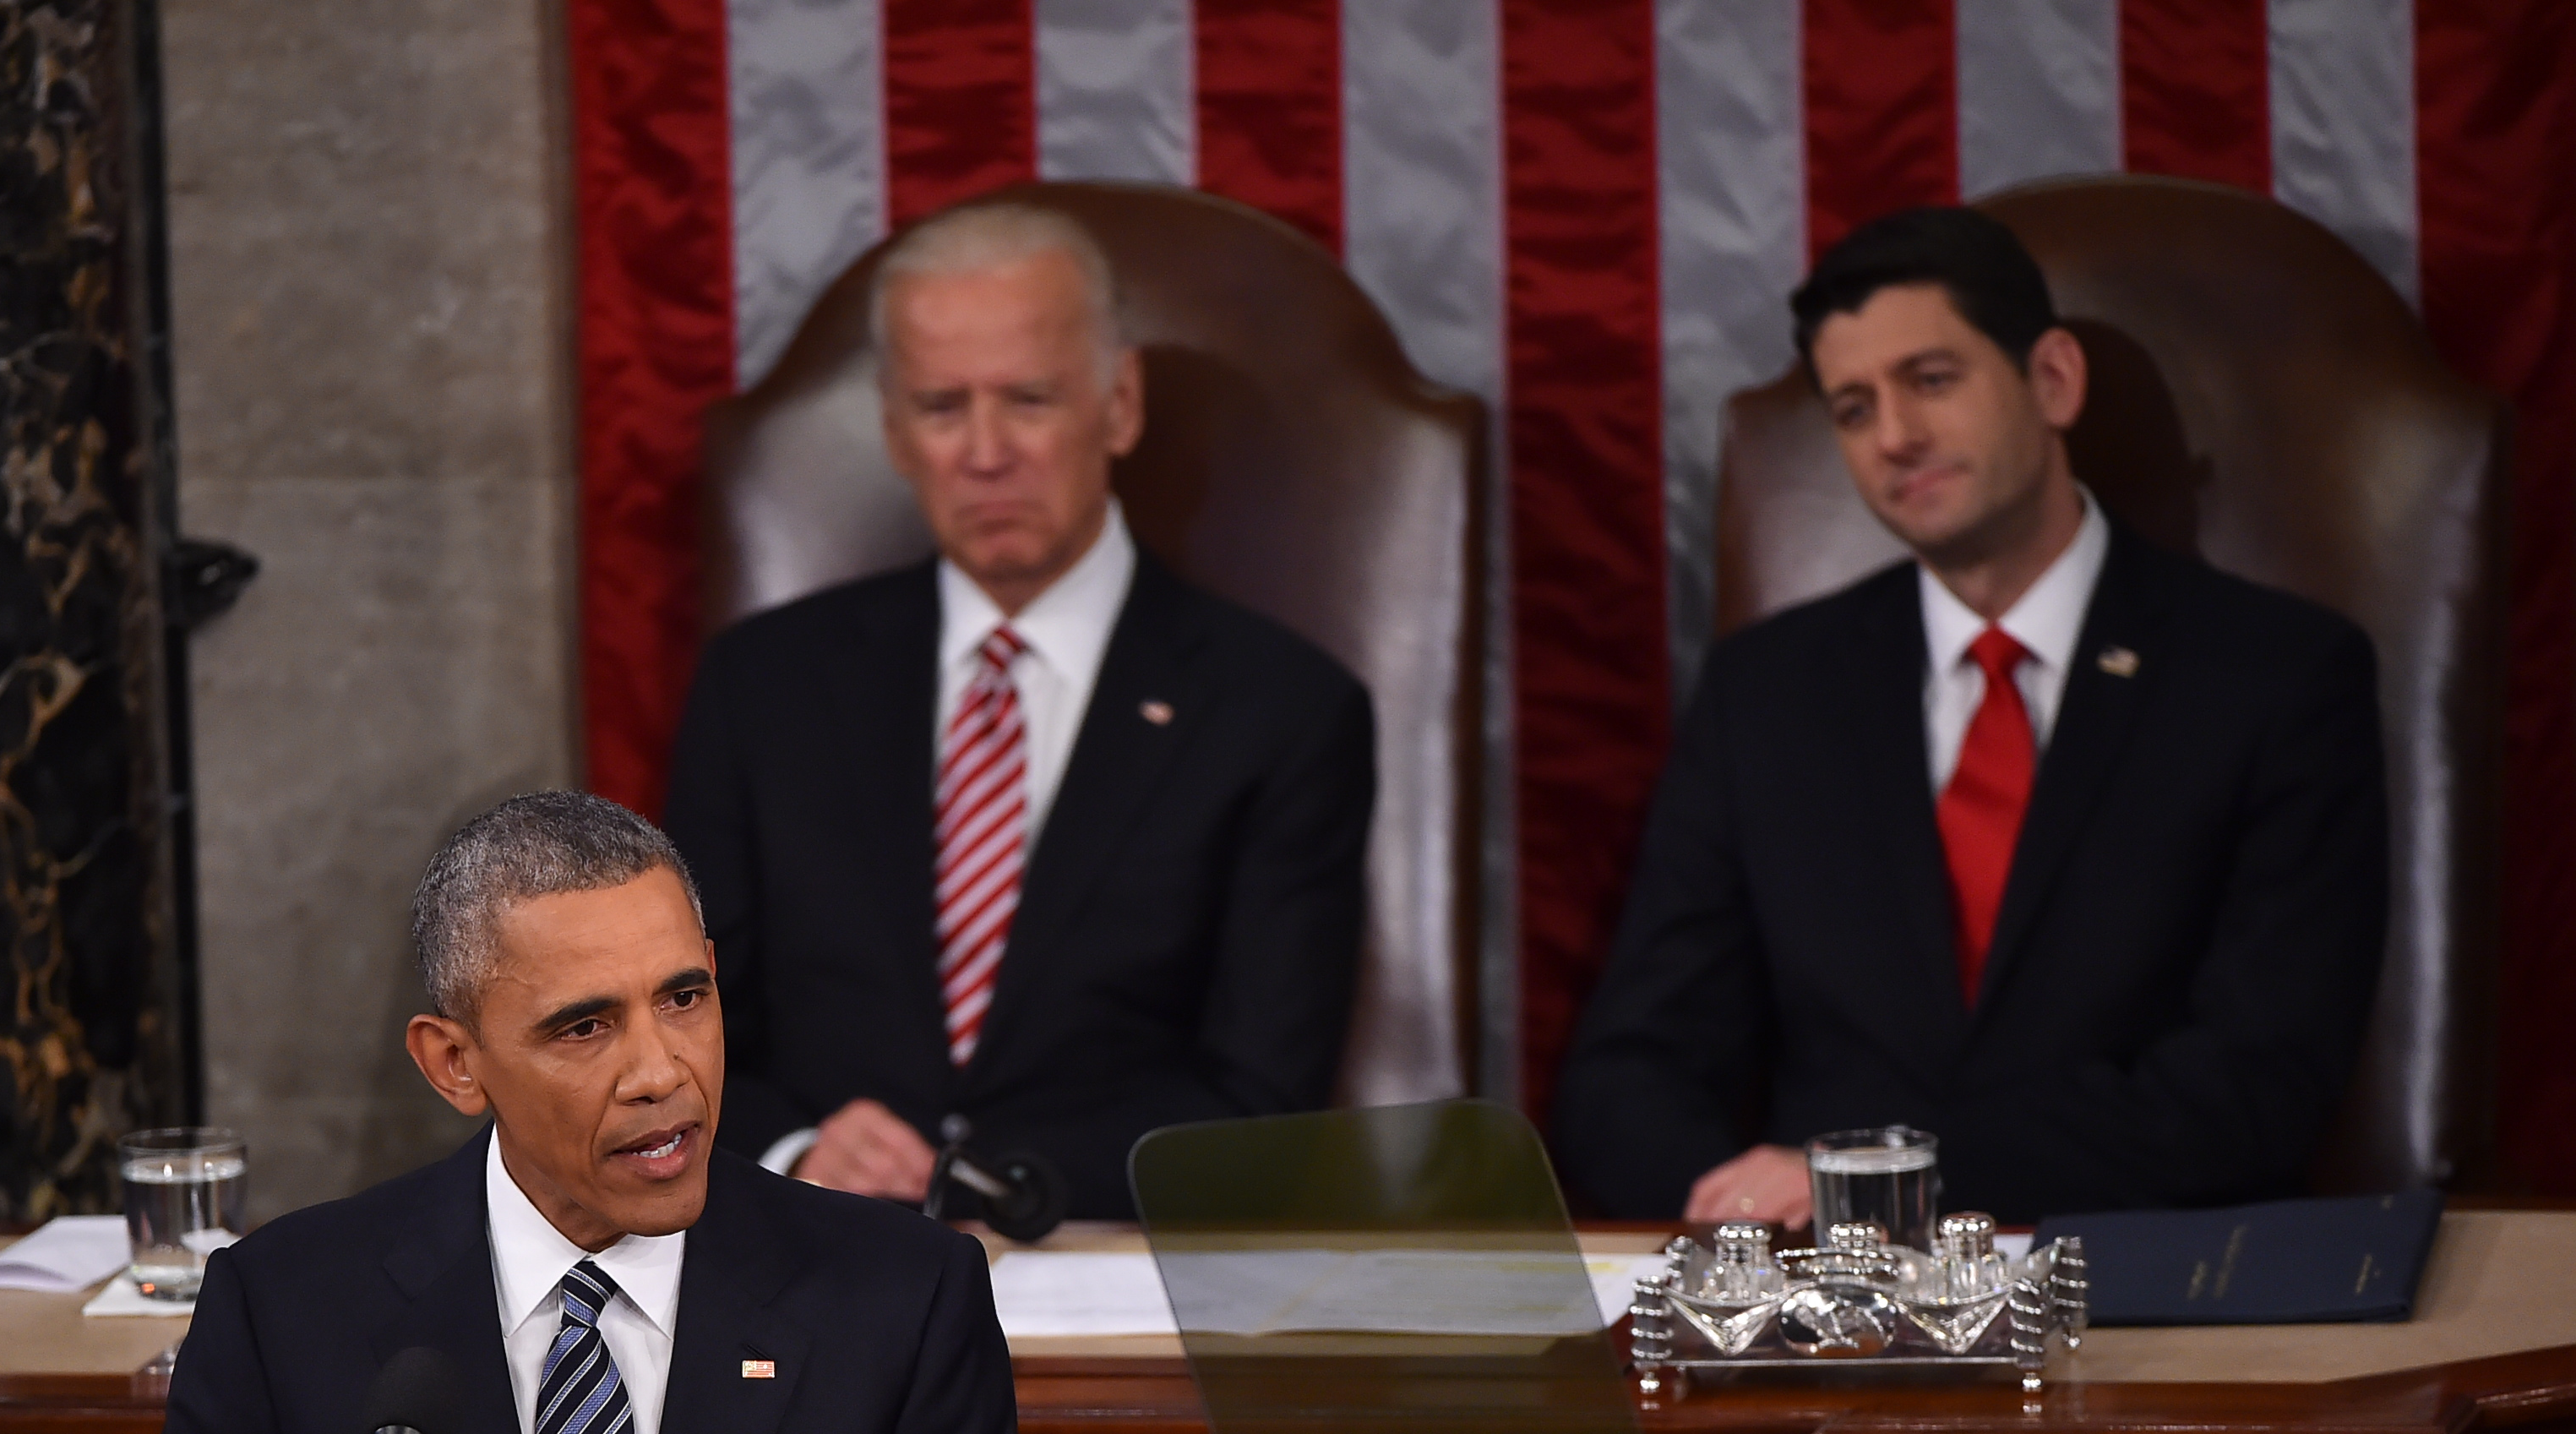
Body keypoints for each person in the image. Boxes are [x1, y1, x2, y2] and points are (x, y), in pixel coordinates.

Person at [14, 792, 1086, 1434]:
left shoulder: (899, 1297)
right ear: (453, 1062)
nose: (661, 1071)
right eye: (585, 1025)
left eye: (684, 997)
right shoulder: (292, 1309)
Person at [1551, 206, 2387, 1228]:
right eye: (1854, 409)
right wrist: (1737, 1215)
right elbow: (1629, 1072)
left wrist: (1877, 1184)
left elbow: (2261, 1080)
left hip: (2152, 1301)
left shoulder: (2276, 675)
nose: (1896, 436)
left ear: (2053, 381)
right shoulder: (1767, 693)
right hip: (1836, 1320)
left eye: (1931, 380)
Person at [664, 198, 1377, 1223]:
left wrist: (987, 1183)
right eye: (943, 406)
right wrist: (795, 1146)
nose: (985, 452)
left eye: (1030, 399)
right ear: (895, 431)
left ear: (1120, 404)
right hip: (810, 1259)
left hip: (1105, 1262)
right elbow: (674, 1026)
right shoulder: (763, 685)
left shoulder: (1281, 709)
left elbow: (1258, 1094)